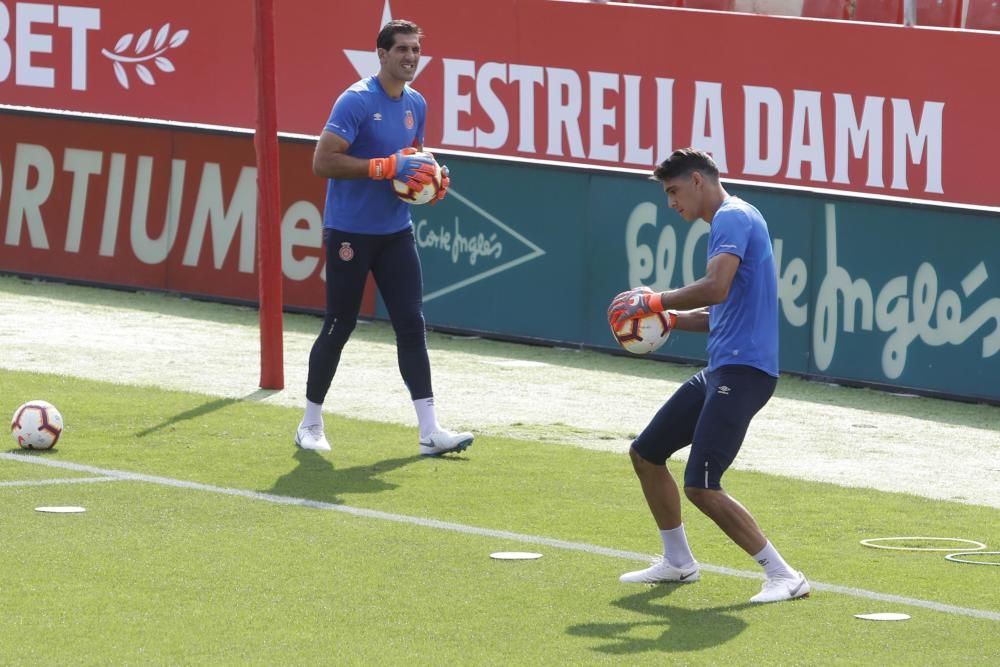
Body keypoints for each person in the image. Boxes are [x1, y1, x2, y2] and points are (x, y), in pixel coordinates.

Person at [607, 148, 809, 604]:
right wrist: (669, 320)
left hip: (744, 372)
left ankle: (784, 575)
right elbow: (719, 310)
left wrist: (654, 302)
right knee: (646, 452)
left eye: (674, 191)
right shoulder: (731, 220)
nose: (671, 203)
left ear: (698, 181)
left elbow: (716, 287)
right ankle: (678, 562)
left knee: (701, 483)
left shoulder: (732, 218)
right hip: (724, 367)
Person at [295, 19, 473, 457]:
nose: (410, 57)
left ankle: (430, 431)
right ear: (382, 54)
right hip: (350, 232)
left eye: (415, 50)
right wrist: (384, 167)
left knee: (411, 324)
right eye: (402, 50)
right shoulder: (355, 102)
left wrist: (431, 177)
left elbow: (412, 157)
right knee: (340, 324)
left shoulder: (417, 103)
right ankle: (309, 423)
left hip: (396, 232)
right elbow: (323, 161)